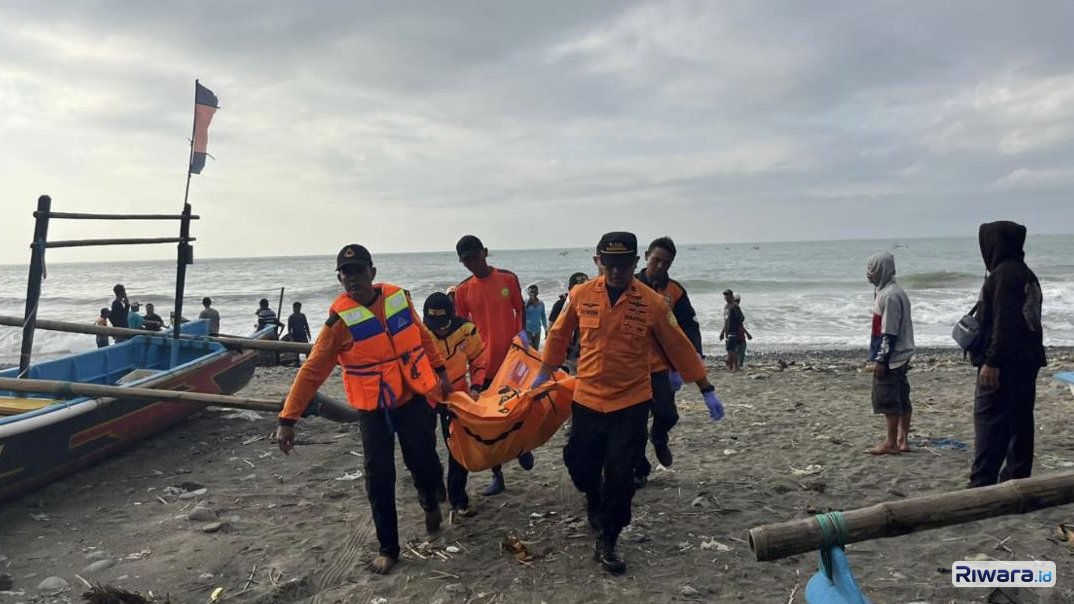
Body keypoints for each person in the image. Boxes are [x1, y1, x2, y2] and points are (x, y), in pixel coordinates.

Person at [536, 231, 723, 575]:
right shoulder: (580, 294)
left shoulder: (652, 302)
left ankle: (609, 538)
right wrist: (544, 371)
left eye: (624, 264)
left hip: (631, 403)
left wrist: (705, 386)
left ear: (635, 263)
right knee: (578, 463)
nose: (617, 271)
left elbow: (679, 344)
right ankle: (594, 497)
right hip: (588, 398)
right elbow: (559, 334)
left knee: (621, 476)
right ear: (598, 262)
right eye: (610, 264)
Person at [276, 244, 453, 575]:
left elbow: (423, 337)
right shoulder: (338, 323)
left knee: (425, 461)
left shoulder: (399, 299)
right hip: (374, 410)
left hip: (413, 396)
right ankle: (389, 548)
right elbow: (312, 371)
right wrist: (288, 418)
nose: (353, 278)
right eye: (346, 273)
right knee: (379, 477)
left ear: (372, 271)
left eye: (359, 271)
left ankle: (430, 500)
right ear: (340, 279)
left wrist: (441, 372)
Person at [967, 221, 1046, 487]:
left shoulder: (1003, 276)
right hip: (1027, 360)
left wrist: (992, 361)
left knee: (990, 421)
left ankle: (982, 482)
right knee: (1020, 419)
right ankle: (1017, 477)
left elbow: (1005, 322)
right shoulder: (1024, 273)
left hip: (1005, 362)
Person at [453, 234, 533, 496]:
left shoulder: (508, 279)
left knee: (521, 408)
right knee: (489, 423)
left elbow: (520, 309)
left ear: (485, 252)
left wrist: (522, 338)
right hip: (483, 366)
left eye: (474, 257)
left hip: (511, 359)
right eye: (465, 261)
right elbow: (461, 329)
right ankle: (498, 476)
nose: (471, 264)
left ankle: (523, 447)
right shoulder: (463, 290)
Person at [632, 236, 705, 489]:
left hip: (662, 366)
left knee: (667, 414)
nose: (661, 266)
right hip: (631, 366)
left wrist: (695, 353)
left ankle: (659, 436)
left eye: (667, 262)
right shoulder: (629, 284)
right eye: (656, 260)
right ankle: (639, 469)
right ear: (645, 257)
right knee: (635, 424)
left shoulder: (675, 291)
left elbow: (689, 325)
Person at [422, 292, 487, 518]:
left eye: (443, 324)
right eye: (434, 325)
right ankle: (436, 483)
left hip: (457, 393)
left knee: (459, 447)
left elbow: (478, 359)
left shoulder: (466, 330)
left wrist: (477, 386)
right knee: (425, 448)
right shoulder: (419, 333)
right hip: (427, 396)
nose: (439, 329)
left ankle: (458, 498)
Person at [865, 252, 915, 456]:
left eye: (872, 269)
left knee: (889, 399)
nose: (868, 274)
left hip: (893, 357)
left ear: (881, 270)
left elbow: (889, 332)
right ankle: (902, 439)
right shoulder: (889, 291)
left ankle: (891, 442)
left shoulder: (890, 295)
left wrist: (881, 359)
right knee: (902, 397)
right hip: (900, 354)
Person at [548, 272, 588, 374]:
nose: (582, 291)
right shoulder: (561, 305)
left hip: (587, 358)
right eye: (579, 287)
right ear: (570, 289)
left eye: (586, 286)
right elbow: (551, 332)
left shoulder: (595, 305)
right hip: (566, 357)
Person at [719, 289, 746, 371]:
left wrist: (737, 327)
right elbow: (726, 320)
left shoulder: (735, 306)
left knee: (732, 350)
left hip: (733, 330)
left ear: (731, 296)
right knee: (729, 349)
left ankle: (736, 367)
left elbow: (741, 318)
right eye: (725, 295)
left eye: (727, 295)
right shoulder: (726, 307)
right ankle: (730, 366)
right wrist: (722, 332)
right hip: (727, 331)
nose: (726, 297)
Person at [286, 301, 312, 367]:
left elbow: (306, 325)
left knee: (307, 350)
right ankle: (297, 363)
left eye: (299, 308)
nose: (298, 309)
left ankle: (308, 362)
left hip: (303, 334)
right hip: (295, 335)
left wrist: (309, 334)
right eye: (297, 308)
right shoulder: (291, 317)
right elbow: (289, 329)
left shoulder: (302, 316)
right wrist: (291, 338)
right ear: (294, 308)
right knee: (296, 351)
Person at [733, 293, 753, 368]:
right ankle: (739, 365)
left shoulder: (728, 308)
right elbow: (740, 324)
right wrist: (747, 334)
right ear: (738, 300)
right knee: (741, 348)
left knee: (734, 350)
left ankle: (733, 365)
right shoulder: (736, 308)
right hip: (738, 333)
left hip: (731, 333)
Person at [524, 285, 547, 349]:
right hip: (527, 330)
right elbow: (521, 315)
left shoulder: (541, 303)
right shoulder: (524, 302)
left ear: (537, 292)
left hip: (537, 330)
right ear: (528, 293)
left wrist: (545, 329)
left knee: (536, 349)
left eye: (534, 291)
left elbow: (543, 316)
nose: (532, 292)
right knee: (529, 350)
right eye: (531, 291)